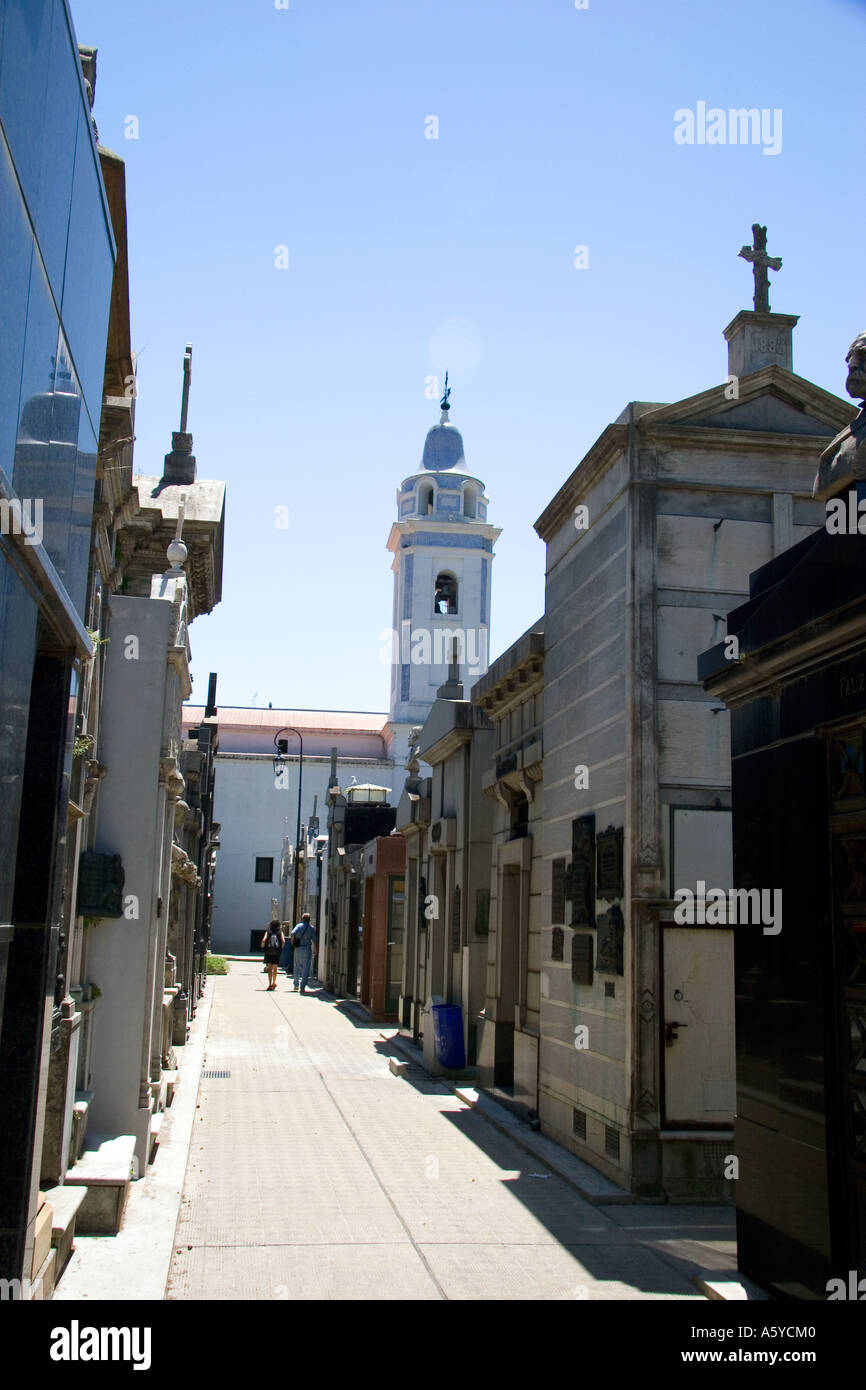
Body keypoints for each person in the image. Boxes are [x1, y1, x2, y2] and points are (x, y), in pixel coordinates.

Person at [290, 913, 315, 993]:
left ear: (302, 919)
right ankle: (302, 987)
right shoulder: (311, 928)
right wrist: (316, 951)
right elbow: (315, 940)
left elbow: (292, 933)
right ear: (309, 920)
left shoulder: (298, 926)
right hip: (307, 949)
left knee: (296, 966)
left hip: (298, 948)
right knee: (306, 968)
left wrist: (292, 943)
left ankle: (296, 985)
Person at [260, 919, 284, 990]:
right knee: (275, 968)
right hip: (277, 952)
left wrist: (262, 946)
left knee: (270, 968)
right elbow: (283, 941)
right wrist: (280, 949)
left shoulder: (268, 932)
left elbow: (264, 940)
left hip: (268, 951)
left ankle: (270, 984)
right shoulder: (280, 932)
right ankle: (274, 982)